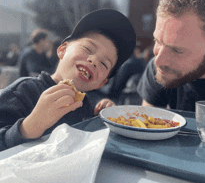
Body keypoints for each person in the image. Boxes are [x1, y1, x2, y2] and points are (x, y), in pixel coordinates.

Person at [0, 9, 136, 151]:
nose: (94, 60)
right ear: (62, 50)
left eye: (104, 64)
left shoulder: (85, 105)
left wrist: (99, 119)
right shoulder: (23, 91)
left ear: (102, 83)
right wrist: (30, 126)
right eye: (88, 48)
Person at [137, 0, 205, 112]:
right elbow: (147, 127)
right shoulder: (161, 69)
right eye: (158, 41)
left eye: (177, 50)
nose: (159, 61)